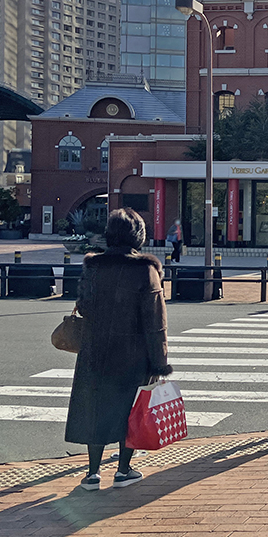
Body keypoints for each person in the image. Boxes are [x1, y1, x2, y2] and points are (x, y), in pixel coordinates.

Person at [65, 208, 170, 491]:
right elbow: (156, 323)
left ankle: (92, 473)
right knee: (130, 412)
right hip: (133, 353)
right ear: (139, 236)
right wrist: (160, 363)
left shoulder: (93, 265)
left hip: (95, 350)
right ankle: (123, 470)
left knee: (95, 409)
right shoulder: (146, 269)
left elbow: (84, 306)